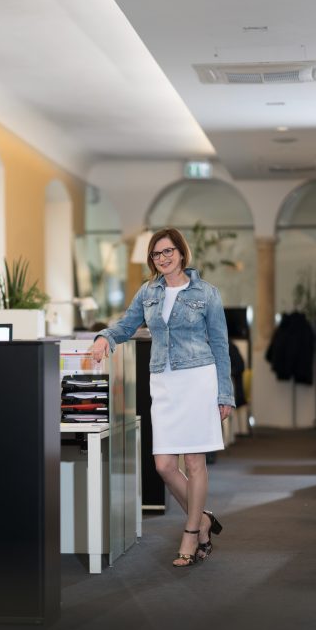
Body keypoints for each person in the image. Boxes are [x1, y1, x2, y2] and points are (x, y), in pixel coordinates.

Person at [90, 227, 235, 568]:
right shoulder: (148, 292)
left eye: (169, 251)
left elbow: (220, 346)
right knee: (164, 466)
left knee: (193, 463)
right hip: (165, 384)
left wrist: (224, 392)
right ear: (152, 260)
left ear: (182, 253)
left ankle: (191, 532)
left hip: (198, 380)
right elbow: (125, 326)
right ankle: (203, 519)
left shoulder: (207, 293)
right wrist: (103, 338)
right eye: (157, 254)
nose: (164, 258)